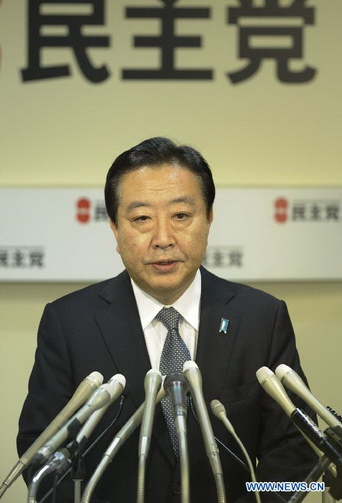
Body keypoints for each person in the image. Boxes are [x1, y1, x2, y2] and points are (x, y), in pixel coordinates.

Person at [17, 137, 317, 503]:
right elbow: (41, 454)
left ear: (208, 219)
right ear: (114, 229)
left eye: (181, 216)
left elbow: (295, 451)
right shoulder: (70, 323)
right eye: (141, 218)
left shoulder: (261, 317)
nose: (163, 238)